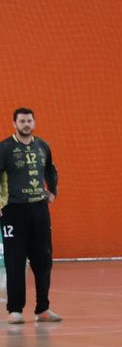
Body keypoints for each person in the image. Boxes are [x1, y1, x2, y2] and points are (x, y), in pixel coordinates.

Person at [0, 109, 60, 325]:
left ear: (34, 122)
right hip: (13, 211)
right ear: (14, 123)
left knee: (43, 260)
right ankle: (15, 310)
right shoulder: (5, 148)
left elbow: (50, 169)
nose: (26, 124)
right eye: (22, 121)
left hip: (39, 210)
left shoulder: (42, 145)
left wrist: (52, 191)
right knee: (15, 261)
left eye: (29, 120)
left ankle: (43, 308)